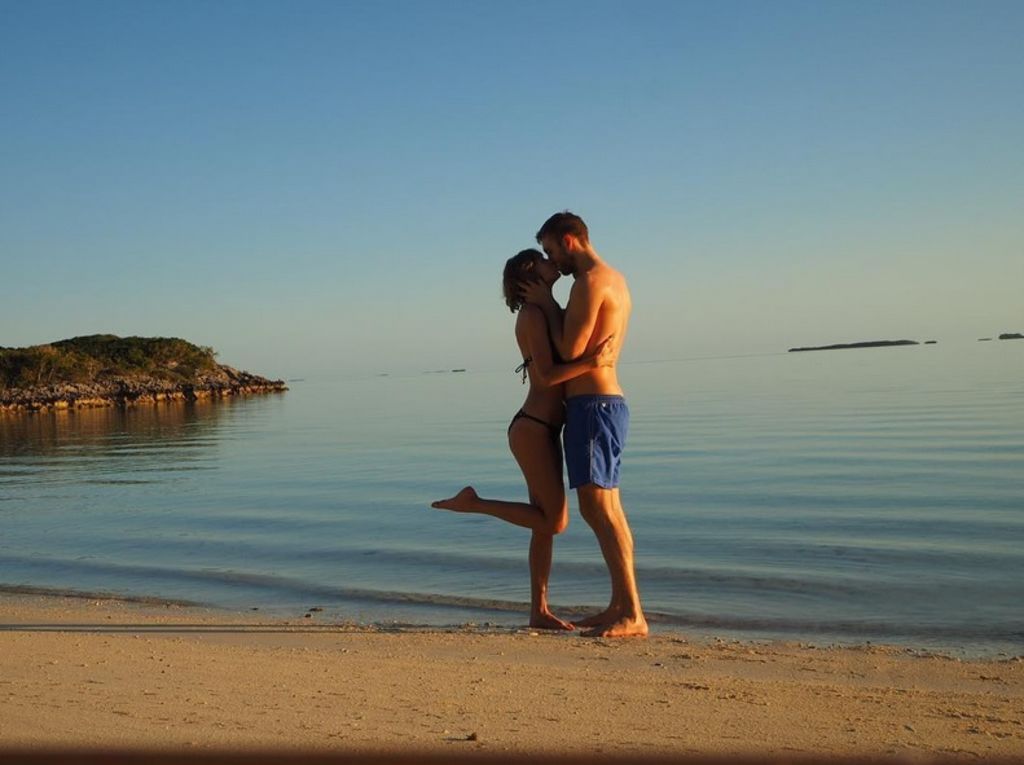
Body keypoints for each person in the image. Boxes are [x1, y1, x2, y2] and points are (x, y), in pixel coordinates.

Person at [432, 249, 614, 631]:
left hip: (543, 428)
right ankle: (473, 503)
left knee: (542, 525)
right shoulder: (531, 315)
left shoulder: (544, 309)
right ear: (531, 276)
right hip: (533, 428)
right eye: (543, 260)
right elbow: (546, 377)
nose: (552, 262)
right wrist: (592, 363)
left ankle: (539, 611)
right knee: (555, 522)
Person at [521, 211, 648, 638]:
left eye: (551, 250)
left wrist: (545, 305)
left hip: (593, 406)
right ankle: (621, 605)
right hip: (602, 404)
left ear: (569, 241)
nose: (551, 261)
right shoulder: (615, 279)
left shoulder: (589, 282)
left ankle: (632, 613)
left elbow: (570, 350)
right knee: (607, 510)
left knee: (598, 509)